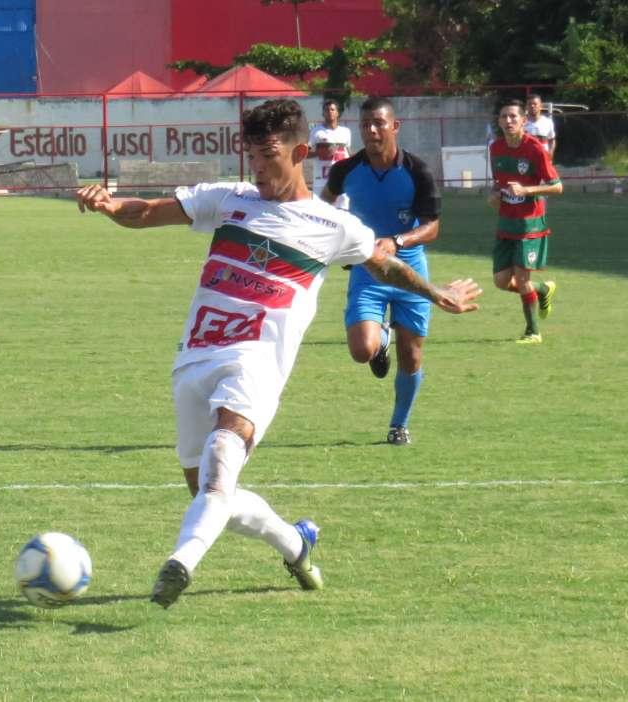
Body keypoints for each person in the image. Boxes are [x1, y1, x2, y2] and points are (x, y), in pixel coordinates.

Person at [75, 99, 481, 609]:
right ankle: (294, 542)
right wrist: (110, 205)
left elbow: (384, 266)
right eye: (252, 156)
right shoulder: (227, 198)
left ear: (301, 153)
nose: (259, 169)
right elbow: (146, 212)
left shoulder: (333, 225)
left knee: (224, 457)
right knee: (207, 492)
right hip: (196, 358)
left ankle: (182, 562)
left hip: (256, 362)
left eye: (269, 156)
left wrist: (434, 292)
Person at [320, 97, 441, 447]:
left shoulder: (417, 171)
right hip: (367, 271)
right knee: (361, 350)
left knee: (412, 354)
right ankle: (380, 340)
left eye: (379, 123)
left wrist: (398, 240)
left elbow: (432, 227)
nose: (371, 130)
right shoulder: (347, 170)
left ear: (394, 126)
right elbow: (321, 206)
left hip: (410, 271)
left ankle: (398, 424)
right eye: (365, 125)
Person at [488, 98, 563, 344]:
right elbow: (498, 183)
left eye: (513, 117)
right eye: (504, 117)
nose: (508, 121)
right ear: (499, 122)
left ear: (523, 121)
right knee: (501, 281)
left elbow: (557, 186)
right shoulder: (495, 148)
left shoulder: (534, 149)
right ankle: (542, 290)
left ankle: (533, 332)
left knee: (521, 280)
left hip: (530, 224)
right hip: (506, 223)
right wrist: (494, 194)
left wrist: (526, 191)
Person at [308, 98, 352, 209]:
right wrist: (320, 152)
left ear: (337, 113)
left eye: (332, 109)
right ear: (323, 113)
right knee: (321, 213)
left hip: (341, 179)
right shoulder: (316, 131)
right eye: (327, 110)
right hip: (321, 180)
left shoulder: (345, 132)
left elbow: (348, 152)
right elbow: (305, 153)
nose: (330, 112)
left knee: (343, 211)